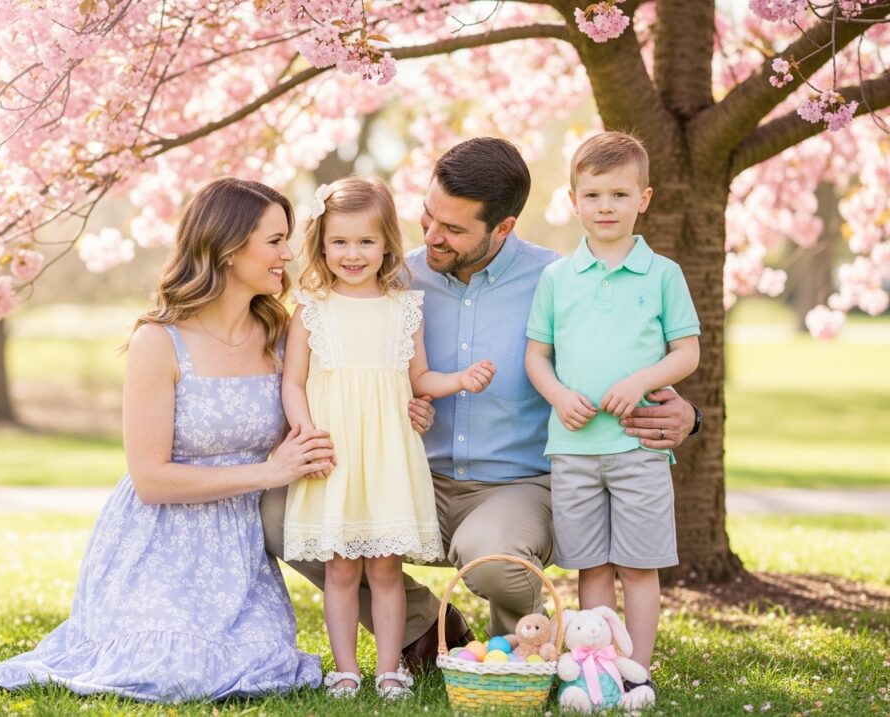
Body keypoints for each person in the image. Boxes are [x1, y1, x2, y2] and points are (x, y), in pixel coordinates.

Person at [261, 137, 700, 673]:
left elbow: (629, 354)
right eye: (427, 216)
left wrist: (689, 414)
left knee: (492, 558)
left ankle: (518, 643)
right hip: (403, 474)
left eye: (453, 229)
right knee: (279, 517)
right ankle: (428, 627)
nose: (431, 236)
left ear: (504, 228)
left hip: (512, 488)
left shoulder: (557, 280)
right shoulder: (389, 278)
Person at [0, 178, 336, 702]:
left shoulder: (281, 337)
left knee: (260, 665)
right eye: (274, 241)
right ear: (229, 248)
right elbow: (151, 479)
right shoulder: (158, 341)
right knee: (173, 670)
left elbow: (343, 398)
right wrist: (270, 472)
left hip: (239, 545)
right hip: (158, 541)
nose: (289, 254)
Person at [281, 176, 495, 700]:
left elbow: (419, 378)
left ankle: (390, 669)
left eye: (366, 242)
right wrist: (304, 429)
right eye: (340, 242)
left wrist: (458, 381)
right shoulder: (311, 308)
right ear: (322, 244)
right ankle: (347, 669)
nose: (353, 254)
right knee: (339, 567)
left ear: (386, 245)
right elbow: (292, 380)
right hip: (333, 451)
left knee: (384, 568)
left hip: (387, 456)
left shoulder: (405, 308)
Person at [525, 131, 700, 700]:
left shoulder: (663, 274)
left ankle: (637, 671)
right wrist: (558, 396)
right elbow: (537, 356)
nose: (606, 207)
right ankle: (596, 669)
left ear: (643, 199)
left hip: (638, 448)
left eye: (620, 195)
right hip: (574, 449)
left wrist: (641, 380)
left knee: (639, 565)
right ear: (573, 200)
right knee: (591, 567)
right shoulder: (556, 279)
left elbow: (686, 351)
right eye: (594, 195)